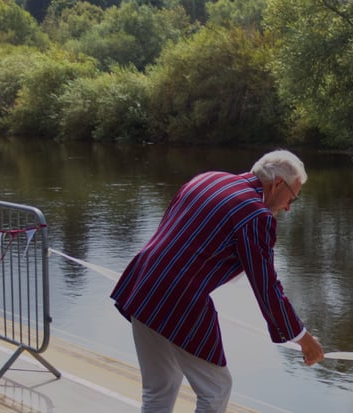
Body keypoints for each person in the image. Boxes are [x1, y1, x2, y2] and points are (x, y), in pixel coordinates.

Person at [110, 149, 325, 413]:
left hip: (141, 284)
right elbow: (267, 288)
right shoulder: (256, 215)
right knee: (216, 389)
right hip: (179, 299)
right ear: (277, 183)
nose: (289, 207)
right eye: (292, 197)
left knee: (159, 389)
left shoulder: (208, 179)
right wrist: (303, 339)